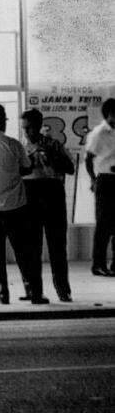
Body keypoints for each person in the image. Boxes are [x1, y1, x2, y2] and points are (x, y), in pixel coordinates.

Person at [0, 104, 46, 305]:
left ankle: (3, 294)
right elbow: (27, 169)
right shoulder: (13, 144)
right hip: (15, 206)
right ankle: (34, 293)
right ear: (3, 120)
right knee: (23, 250)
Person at [20, 108, 76, 301]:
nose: (27, 133)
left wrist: (51, 157)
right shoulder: (21, 147)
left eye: (30, 128)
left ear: (39, 125)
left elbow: (70, 168)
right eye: (24, 129)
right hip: (30, 193)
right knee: (32, 246)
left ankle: (63, 290)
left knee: (57, 245)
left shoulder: (53, 144)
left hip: (52, 191)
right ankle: (35, 291)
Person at [85, 98, 115, 278]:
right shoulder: (99, 133)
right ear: (109, 114)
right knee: (103, 225)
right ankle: (98, 264)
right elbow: (88, 159)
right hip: (106, 180)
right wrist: (93, 180)